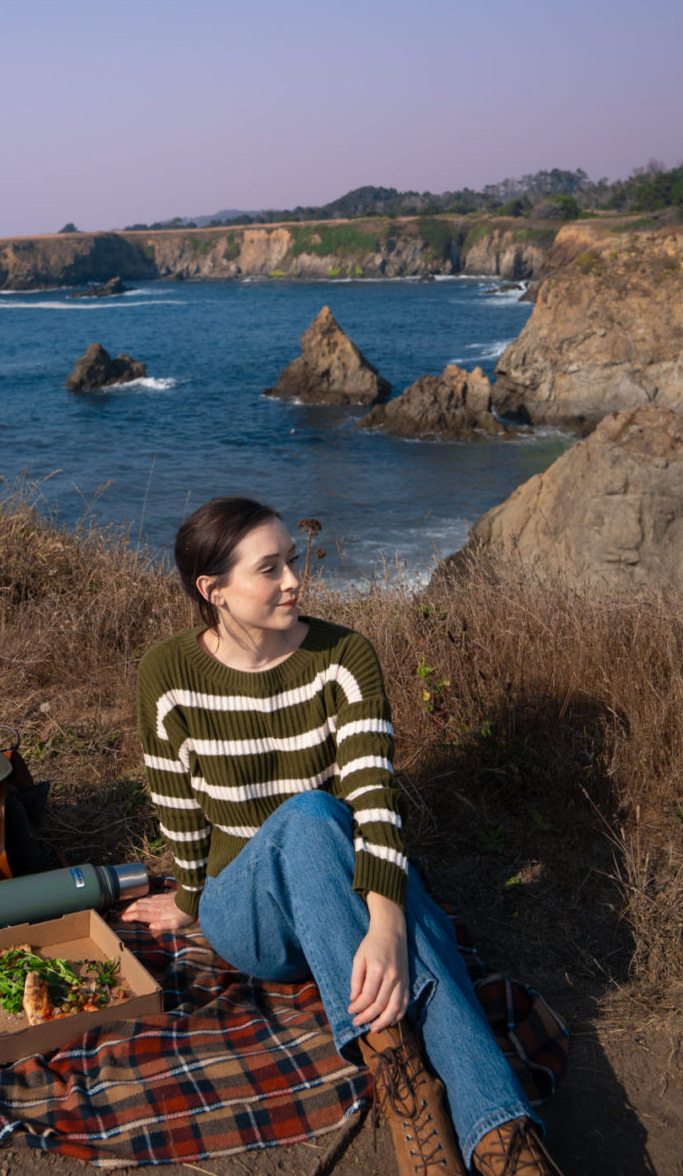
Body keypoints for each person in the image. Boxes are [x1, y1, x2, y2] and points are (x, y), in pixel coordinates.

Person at [120, 496, 563, 1176]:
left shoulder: (344, 655)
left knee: (410, 923)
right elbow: (179, 813)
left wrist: (384, 924)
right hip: (252, 916)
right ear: (215, 592)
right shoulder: (168, 674)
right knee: (312, 815)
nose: (295, 579)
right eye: (269, 569)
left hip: (345, 904)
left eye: (291, 560)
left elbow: (376, 798)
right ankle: (423, 1083)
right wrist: (187, 903)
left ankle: (486, 1136)